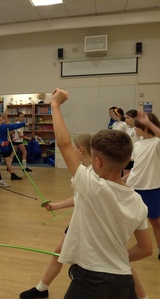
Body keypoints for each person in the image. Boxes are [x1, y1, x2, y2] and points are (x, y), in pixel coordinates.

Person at [20, 135, 149, 299]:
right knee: (62, 252)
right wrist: (56, 205)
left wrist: (55, 108)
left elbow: (63, 143)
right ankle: (41, 288)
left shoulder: (92, 178)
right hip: (83, 224)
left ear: (81, 151)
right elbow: (81, 197)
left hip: (92, 239)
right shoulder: (92, 177)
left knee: (119, 261)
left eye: (75, 148)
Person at [51, 88, 152, 298]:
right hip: (123, 279)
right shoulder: (138, 202)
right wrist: (116, 258)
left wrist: (55, 105)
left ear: (97, 161)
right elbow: (145, 249)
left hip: (91, 280)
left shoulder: (92, 187)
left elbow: (63, 142)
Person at [125, 112, 160, 261]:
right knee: (126, 220)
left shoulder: (156, 143)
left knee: (156, 222)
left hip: (151, 188)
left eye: (138, 127)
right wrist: (121, 179)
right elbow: (136, 168)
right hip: (133, 187)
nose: (135, 130)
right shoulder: (138, 144)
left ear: (145, 128)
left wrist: (149, 123)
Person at [0, 114, 25, 182]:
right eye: (1, 119)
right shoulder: (2, 126)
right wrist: (24, 123)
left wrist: (9, 136)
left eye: (3, 119)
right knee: (6, 160)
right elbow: (14, 126)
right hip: (3, 145)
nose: (3, 120)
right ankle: (12, 174)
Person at [124, 109, 140, 175]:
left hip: (135, 156)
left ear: (135, 118)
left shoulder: (138, 129)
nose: (126, 120)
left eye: (128, 118)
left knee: (133, 174)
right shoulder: (128, 129)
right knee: (126, 174)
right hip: (128, 155)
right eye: (125, 118)